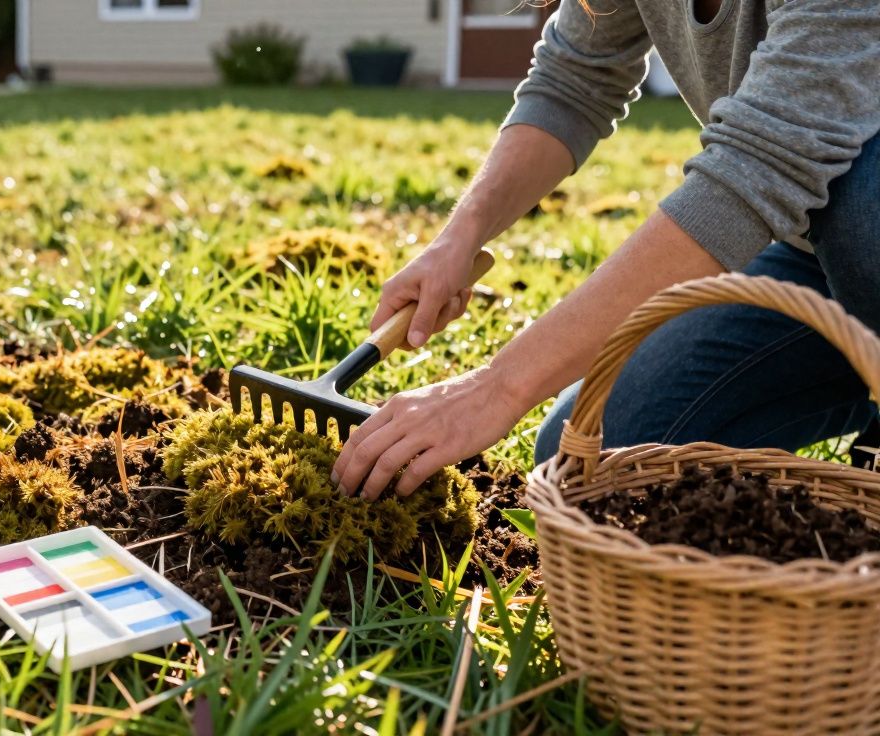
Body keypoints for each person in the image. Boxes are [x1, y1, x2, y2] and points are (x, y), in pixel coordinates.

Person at [331, 0, 880, 499]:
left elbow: (759, 169)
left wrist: (496, 388)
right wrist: (460, 237)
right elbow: (575, 80)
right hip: (812, 258)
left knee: (861, 198)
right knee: (597, 461)